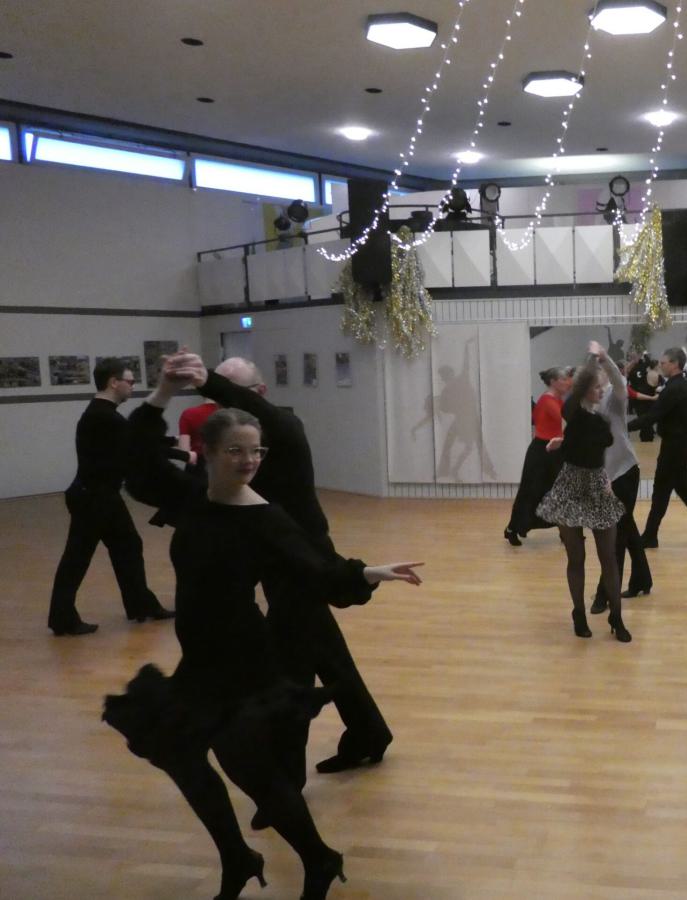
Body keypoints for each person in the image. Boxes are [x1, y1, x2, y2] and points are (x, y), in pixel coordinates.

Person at [106, 377, 423, 900]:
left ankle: (317, 859)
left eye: (256, 451)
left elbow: (317, 571)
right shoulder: (190, 497)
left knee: (251, 772)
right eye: (236, 450)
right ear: (208, 451)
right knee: (181, 756)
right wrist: (160, 392)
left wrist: (368, 573)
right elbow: (136, 461)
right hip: (200, 659)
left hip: (244, 662)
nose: (249, 460)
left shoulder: (264, 516)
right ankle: (239, 857)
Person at [165, 352, 393, 778]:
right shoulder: (242, 443)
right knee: (325, 652)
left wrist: (207, 380)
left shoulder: (284, 428)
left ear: (260, 393)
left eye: (237, 396)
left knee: (294, 665)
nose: (229, 411)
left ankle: (288, 776)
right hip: (276, 555)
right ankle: (368, 732)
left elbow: (256, 417)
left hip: (302, 558)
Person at [47, 357, 174, 636]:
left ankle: (140, 604)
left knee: (127, 546)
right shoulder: (104, 417)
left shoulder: (102, 414)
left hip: (98, 495)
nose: (132, 386)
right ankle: (63, 617)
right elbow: (139, 446)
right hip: (94, 498)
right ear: (114, 382)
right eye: (130, 381)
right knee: (78, 557)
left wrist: (173, 447)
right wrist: (181, 452)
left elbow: (136, 443)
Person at [535, 359, 631, 642]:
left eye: (602, 387)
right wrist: (592, 362)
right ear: (584, 389)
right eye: (597, 387)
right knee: (576, 557)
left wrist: (563, 443)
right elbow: (578, 431)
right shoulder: (572, 411)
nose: (601, 391)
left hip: (597, 486)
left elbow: (587, 446)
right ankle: (578, 613)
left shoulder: (599, 419)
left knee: (609, 558)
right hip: (571, 486)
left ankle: (616, 616)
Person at [627, 347, 687, 549]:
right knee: (683, 490)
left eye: (664, 363)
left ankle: (650, 536)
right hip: (679, 445)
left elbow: (653, 416)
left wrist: (624, 426)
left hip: (674, 447)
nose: (661, 365)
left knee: (661, 490)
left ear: (675, 364)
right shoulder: (680, 385)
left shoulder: (674, 388)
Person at [588, 341, 652, 613]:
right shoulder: (588, 405)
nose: (598, 379)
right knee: (627, 528)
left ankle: (604, 594)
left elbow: (618, 378)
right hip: (605, 477)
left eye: (601, 374)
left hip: (625, 472)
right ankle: (642, 579)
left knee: (616, 536)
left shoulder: (615, 398)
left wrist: (605, 358)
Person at [504, 367, 570, 545]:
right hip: (541, 452)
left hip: (555, 449)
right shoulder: (547, 401)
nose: (567, 382)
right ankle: (512, 528)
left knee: (560, 491)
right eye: (563, 379)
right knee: (530, 492)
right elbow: (567, 419)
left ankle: (566, 532)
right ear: (553, 382)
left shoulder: (557, 399)